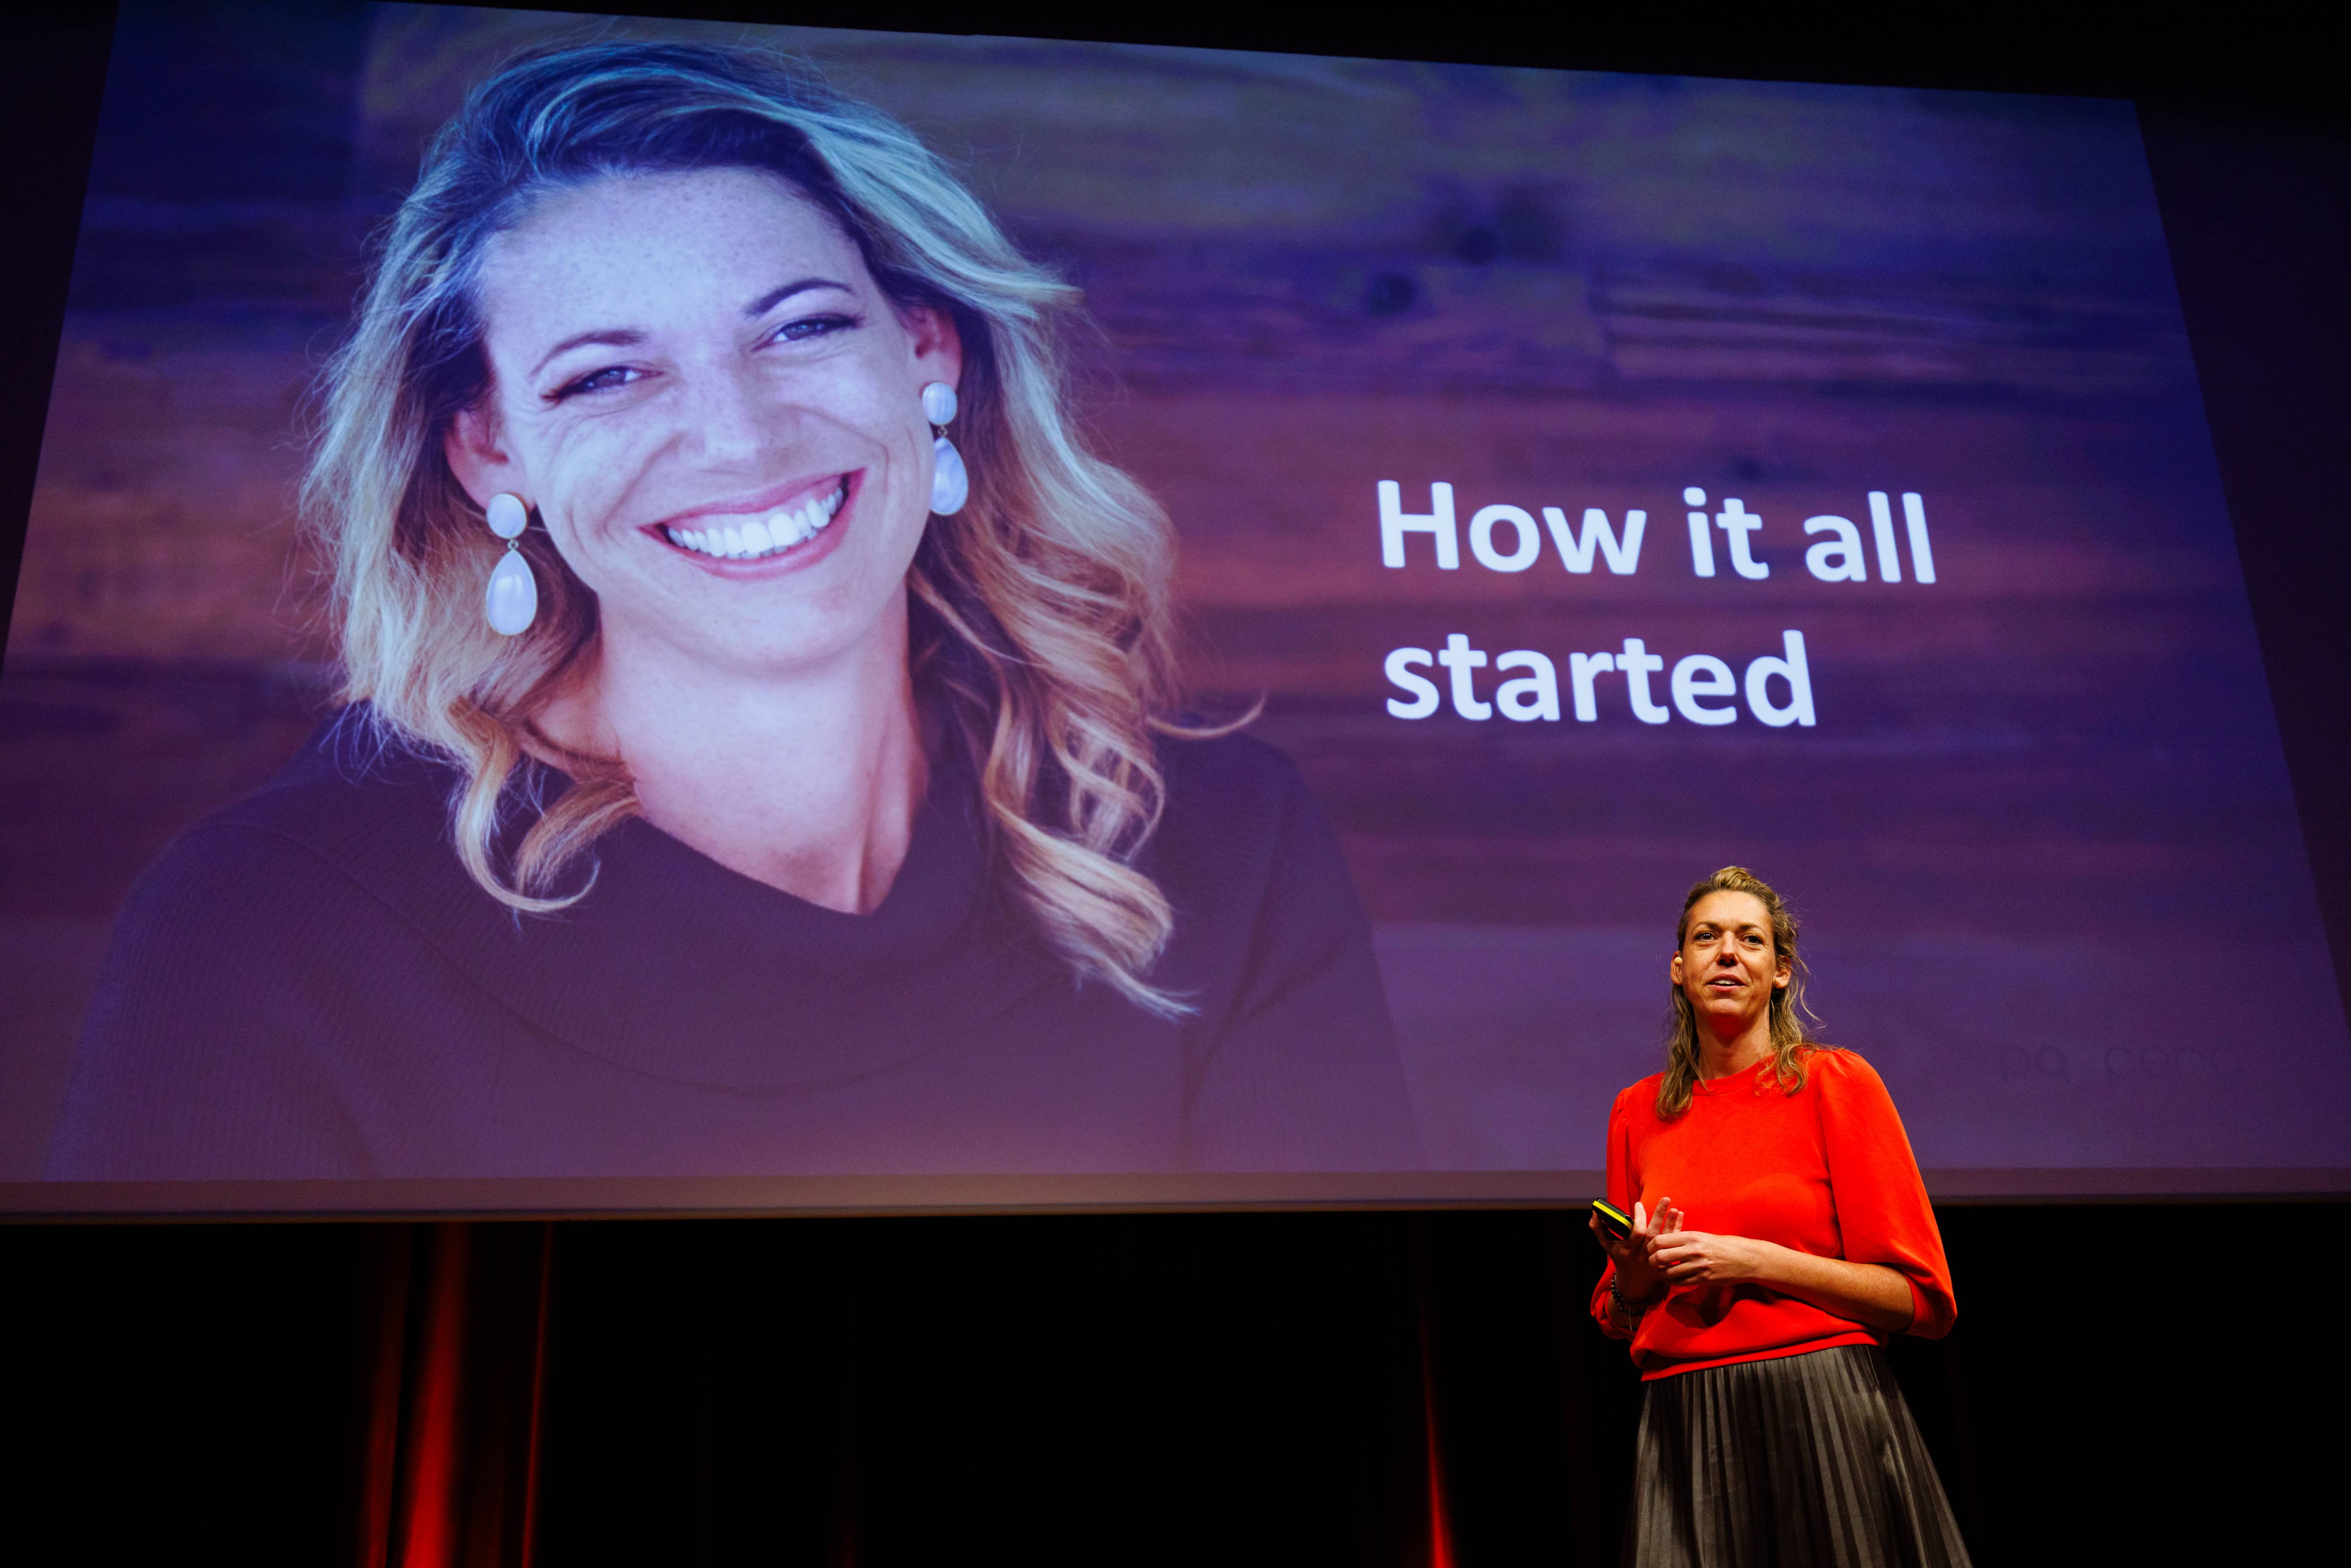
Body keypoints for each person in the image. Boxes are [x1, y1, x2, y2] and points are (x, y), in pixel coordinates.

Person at [45, 41, 1421, 1182]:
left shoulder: (1227, 848)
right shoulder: (270, 934)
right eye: (605, 378)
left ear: (924, 353)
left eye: (801, 327)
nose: (742, 438)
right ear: (489, 450)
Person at [1588, 867, 1969, 1567]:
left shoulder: (1835, 1084)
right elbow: (1621, 1319)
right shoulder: (1635, 1112)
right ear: (1679, 969)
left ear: (1781, 971)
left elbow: (1921, 1301)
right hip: (1684, 1421)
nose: (1726, 953)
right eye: (1707, 937)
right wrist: (1633, 1276)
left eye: (1749, 940)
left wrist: (1754, 1260)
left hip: (1822, 1405)